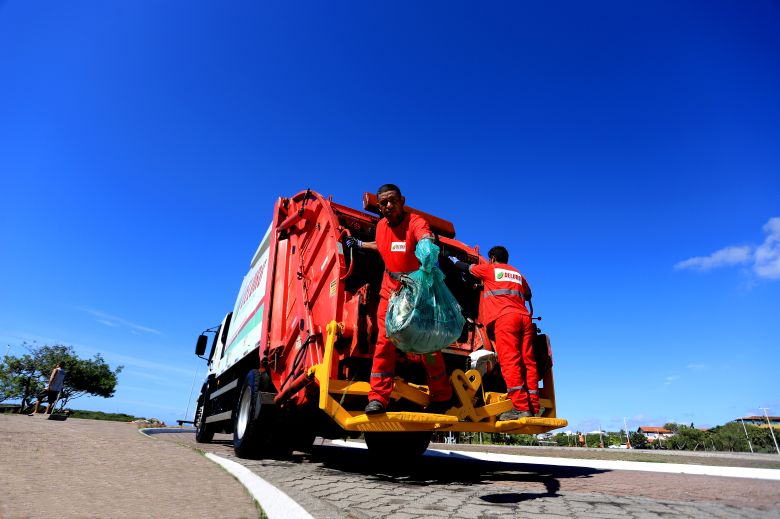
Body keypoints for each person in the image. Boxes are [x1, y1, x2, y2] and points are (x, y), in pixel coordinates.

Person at [346, 184, 454, 415]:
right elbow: (383, 246)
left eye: (392, 200)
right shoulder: (381, 227)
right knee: (385, 343)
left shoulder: (415, 222)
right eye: (383, 202)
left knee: (428, 346)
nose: (387, 206)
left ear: (402, 200)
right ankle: (378, 398)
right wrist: (360, 244)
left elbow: (423, 237)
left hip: (416, 293)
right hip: (391, 292)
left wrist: (426, 246)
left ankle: (443, 397)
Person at [448, 246, 538, 420]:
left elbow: (467, 268)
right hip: (524, 318)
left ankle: (520, 408)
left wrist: (453, 260)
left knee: (510, 361)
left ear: (491, 258)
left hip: (505, 319)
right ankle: (532, 405)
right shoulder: (518, 274)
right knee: (528, 362)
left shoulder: (490, 269)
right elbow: (528, 294)